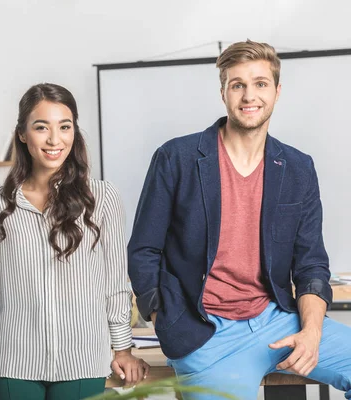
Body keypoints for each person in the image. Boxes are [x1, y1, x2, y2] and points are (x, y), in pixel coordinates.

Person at [128, 39, 351, 400]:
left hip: (277, 319)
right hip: (206, 335)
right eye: (238, 85)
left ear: (277, 92)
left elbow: (311, 264)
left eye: (260, 84)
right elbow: (143, 251)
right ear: (223, 93)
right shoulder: (176, 158)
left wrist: (311, 333)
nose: (250, 96)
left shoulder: (298, 168)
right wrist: (166, 321)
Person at [0, 83, 150, 399]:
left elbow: (116, 282)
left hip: (82, 360)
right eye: (42, 127)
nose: (55, 139)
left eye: (64, 127)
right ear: (23, 134)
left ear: (74, 133)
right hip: (12, 362)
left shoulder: (103, 198)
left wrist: (122, 347)